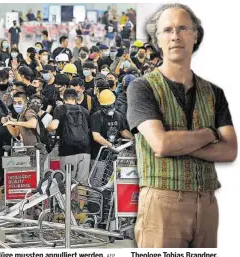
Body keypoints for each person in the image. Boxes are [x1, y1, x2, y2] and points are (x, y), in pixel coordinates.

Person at [127, 4, 237, 248]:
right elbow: (162, 144)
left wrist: (179, 145)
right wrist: (209, 134)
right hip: (162, 204)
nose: (175, 36)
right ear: (157, 39)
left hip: (207, 205)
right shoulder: (141, 88)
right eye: (167, 30)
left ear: (195, 35)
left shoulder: (214, 93)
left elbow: (230, 150)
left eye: (182, 28)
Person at [47, 89, 91, 184]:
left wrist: (47, 128)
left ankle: (69, 199)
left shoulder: (60, 109)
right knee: (82, 185)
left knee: (68, 183)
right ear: (76, 98)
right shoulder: (85, 111)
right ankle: (81, 199)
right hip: (85, 151)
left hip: (67, 151)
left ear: (63, 97)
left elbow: (54, 126)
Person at [90, 89, 134, 160]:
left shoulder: (119, 115)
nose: (109, 108)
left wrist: (133, 138)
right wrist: (110, 146)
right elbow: (96, 136)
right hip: (99, 156)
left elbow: (123, 131)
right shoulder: (96, 116)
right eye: (106, 106)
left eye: (110, 105)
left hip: (114, 156)